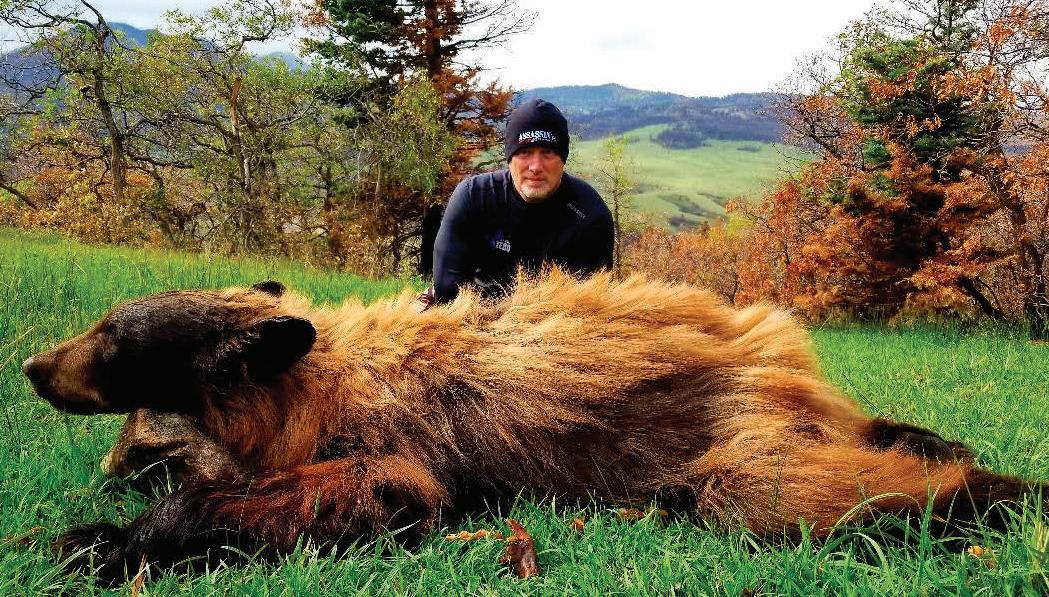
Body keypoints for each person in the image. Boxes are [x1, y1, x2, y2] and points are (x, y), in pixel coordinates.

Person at [418, 98, 614, 309]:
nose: (536, 167)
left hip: (553, 319)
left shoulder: (589, 216)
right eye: (524, 152)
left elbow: (585, 307)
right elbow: (447, 291)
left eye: (548, 152)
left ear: (563, 159)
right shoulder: (473, 197)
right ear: (510, 158)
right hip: (474, 313)